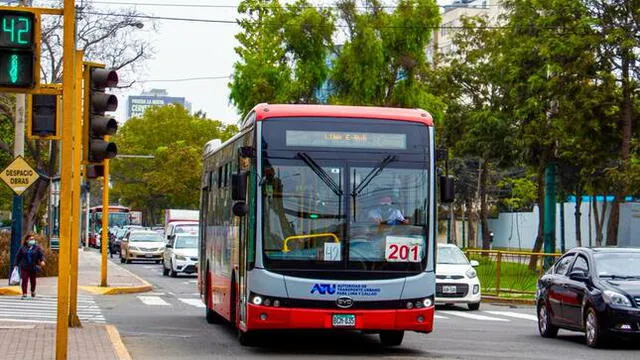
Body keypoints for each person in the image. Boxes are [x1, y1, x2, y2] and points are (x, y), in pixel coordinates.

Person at [14, 234, 45, 299]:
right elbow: (18, 257)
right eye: (31, 239)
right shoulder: (22, 248)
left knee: (33, 281)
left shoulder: (37, 248)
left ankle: (32, 291)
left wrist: (42, 261)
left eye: (33, 239)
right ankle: (24, 293)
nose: (32, 240)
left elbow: (41, 255)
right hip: (24, 267)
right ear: (26, 240)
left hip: (33, 267)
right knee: (24, 280)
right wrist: (16, 265)